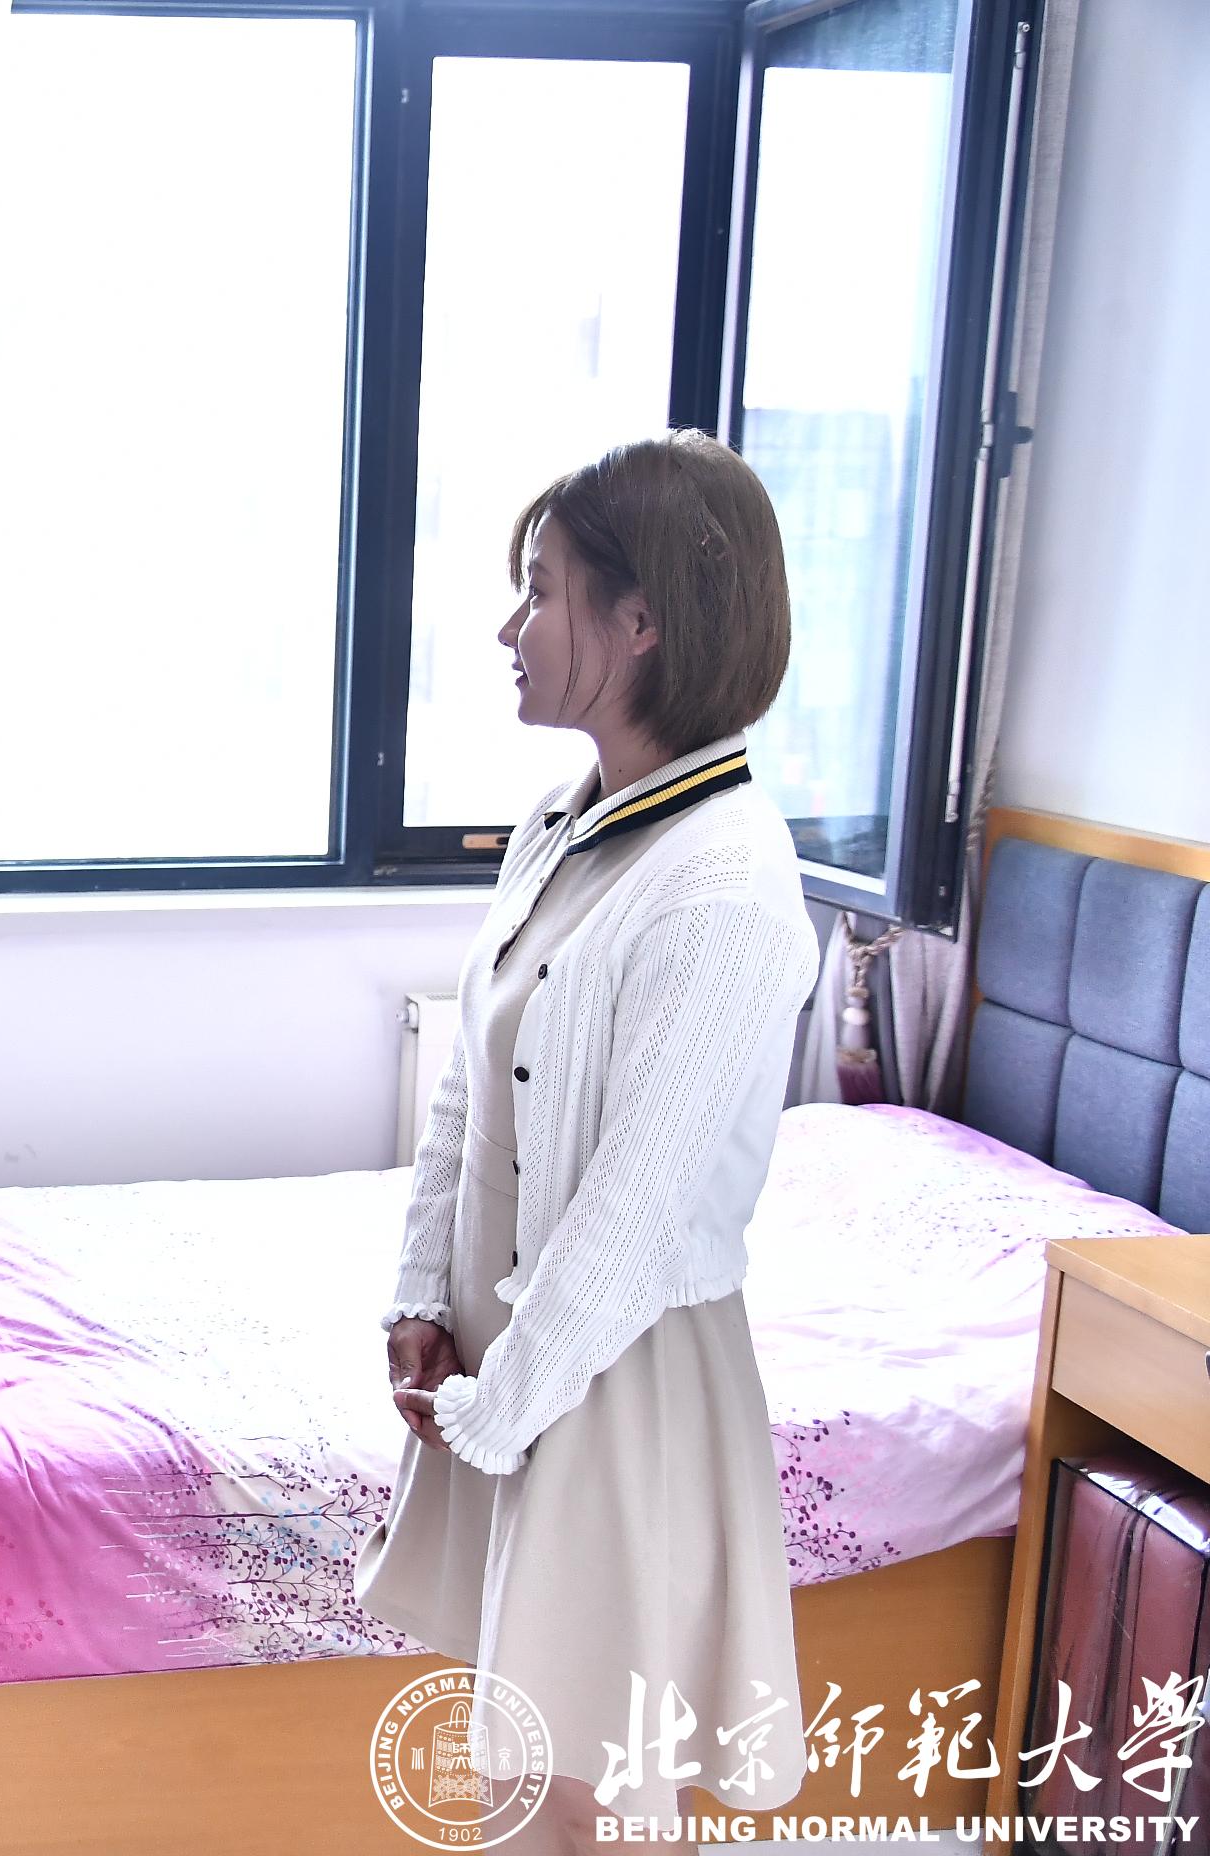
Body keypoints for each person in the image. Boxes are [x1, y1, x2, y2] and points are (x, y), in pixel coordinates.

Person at [352, 431, 820, 1852]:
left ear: (643, 621)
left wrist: (500, 1409)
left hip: (612, 1381)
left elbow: (631, 1210)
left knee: (588, 1797)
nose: (511, 628)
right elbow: (467, 1089)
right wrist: (423, 1297)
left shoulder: (725, 887)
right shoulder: (564, 823)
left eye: (541, 591)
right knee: (519, 1774)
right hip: (514, 1356)